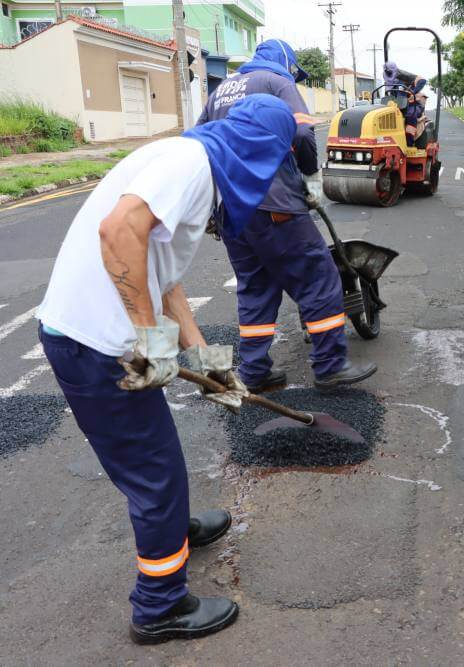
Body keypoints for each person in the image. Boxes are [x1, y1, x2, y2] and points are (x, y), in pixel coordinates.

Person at [36, 95, 297, 643]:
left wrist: (205, 360)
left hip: (92, 336)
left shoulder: (188, 158)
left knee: (156, 458)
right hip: (97, 345)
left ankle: (174, 529)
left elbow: (160, 268)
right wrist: (151, 340)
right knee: (155, 471)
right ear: (260, 153)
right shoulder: (190, 168)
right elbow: (117, 234)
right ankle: (159, 606)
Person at [198, 39, 377, 394]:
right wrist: (307, 172)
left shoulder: (219, 92)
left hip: (231, 210)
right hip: (275, 201)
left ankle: (254, 370)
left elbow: (203, 140)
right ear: (286, 62)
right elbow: (301, 131)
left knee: (256, 287)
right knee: (318, 276)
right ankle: (330, 366)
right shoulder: (277, 82)